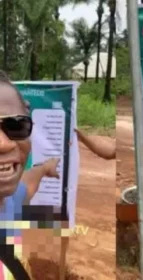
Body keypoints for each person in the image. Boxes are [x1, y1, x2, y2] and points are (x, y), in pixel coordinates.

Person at [0, 79, 59, 279]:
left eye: (15, 125)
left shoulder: (9, 202)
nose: (4, 144)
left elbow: (28, 182)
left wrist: (45, 168)